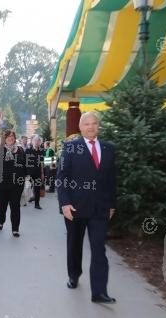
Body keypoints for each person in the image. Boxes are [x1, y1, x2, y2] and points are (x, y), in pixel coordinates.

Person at [57, 112, 117, 304]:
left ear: (99, 126)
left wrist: (112, 204)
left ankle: (99, 291)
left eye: (94, 123)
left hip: (100, 209)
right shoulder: (70, 147)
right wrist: (64, 203)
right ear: (80, 127)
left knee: (99, 248)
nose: (90, 127)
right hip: (75, 207)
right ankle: (74, 274)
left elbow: (111, 179)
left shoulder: (108, 149)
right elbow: (62, 176)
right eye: (86, 124)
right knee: (75, 244)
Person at [0, 130, 26, 237]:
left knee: (15, 207)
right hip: (2, 185)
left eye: (13, 136)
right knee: (2, 206)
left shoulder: (20, 150)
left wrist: (25, 178)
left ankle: (15, 229)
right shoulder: (0, 150)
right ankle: (1, 221)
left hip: (16, 185)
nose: (11, 138)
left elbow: (25, 165)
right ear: (5, 138)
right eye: (8, 136)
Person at [26, 134, 44, 209]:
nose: (37, 142)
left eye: (38, 141)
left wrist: (42, 173)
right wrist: (26, 174)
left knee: (37, 188)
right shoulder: (28, 150)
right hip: (29, 172)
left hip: (38, 172)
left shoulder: (41, 151)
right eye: (35, 140)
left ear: (40, 142)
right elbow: (25, 162)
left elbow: (42, 163)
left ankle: (37, 204)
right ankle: (24, 199)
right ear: (32, 142)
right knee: (27, 187)